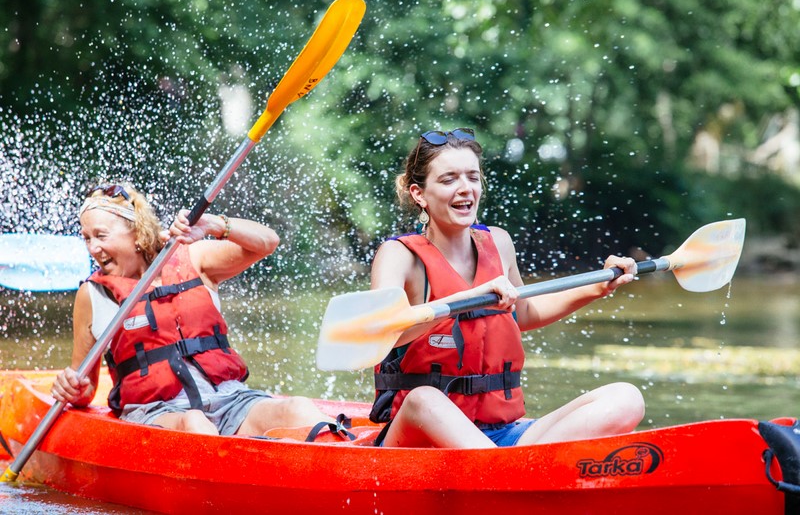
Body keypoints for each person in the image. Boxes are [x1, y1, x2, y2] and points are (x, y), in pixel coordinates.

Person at [369, 128, 645, 448]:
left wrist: (599, 285)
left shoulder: (498, 242)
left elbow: (524, 312)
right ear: (419, 194)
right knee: (424, 399)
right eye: (449, 180)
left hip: (501, 432)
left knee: (626, 398)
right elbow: (380, 335)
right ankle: (510, 470)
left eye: (473, 177)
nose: (465, 189)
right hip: (421, 436)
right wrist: (470, 297)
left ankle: (514, 467)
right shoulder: (400, 255)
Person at [51, 183, 333, 436]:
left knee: (298, 408)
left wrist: (212, 224)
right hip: (157, 414)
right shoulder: (92, 294)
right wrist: (72, 389)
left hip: (231, 401)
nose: (93, 248)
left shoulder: (192, 257)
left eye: (101, 235)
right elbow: (85, 386)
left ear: (136, 232)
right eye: (86, 238)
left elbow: (267, 242)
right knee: (195, 422)